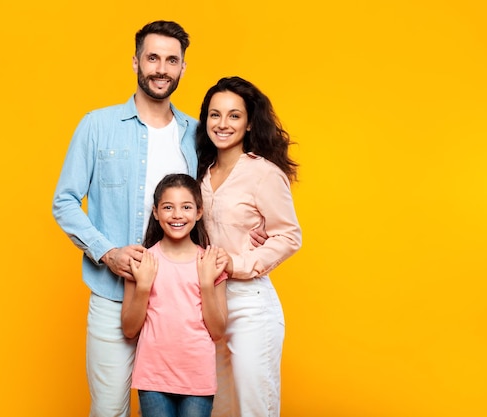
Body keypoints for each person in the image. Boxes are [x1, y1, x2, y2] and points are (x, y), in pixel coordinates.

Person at [52, 21, 196, 416]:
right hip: (113, 295)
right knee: (110, 410)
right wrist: (106, 253)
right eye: (153, 58)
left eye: (171, 60)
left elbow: (210, 208)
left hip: (179, 304)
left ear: (183, 67)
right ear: (135, 62)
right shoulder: (97, 126)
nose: (161, 69)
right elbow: (64, 201)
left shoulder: (196, 135)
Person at [196, 76, 303, 417]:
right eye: (215, 115)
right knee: (217, 407)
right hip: (203, 303)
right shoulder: (198, 172)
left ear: (249, 122)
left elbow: (288, 236)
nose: (223, 124)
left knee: (253, 407)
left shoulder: (264, 174)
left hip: (249, 305)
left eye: (233, 115)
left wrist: (238, 262)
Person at [121, 173, 228, 417]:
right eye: (168, 207)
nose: (177, 215)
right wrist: (144, 287)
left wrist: (206, 283)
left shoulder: (210, 262)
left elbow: (218, 331)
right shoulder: (141, 261)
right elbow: (129, 329)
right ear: (156, 212)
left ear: (199, 212)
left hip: (198, 378)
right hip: (153, 378)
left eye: (186, 207)